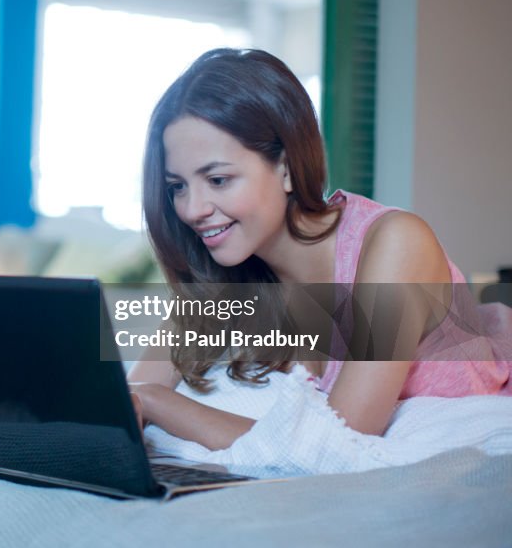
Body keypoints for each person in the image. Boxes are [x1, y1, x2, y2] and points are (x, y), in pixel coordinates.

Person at [127, 47, 512, 452]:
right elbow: (124, 399)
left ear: (288, 167)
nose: (192, 209)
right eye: (177, 187)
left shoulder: (397, 243)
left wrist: (156, 402)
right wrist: (141, 396)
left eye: (218, 180)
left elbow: (336, 440)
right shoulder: (233, 271)